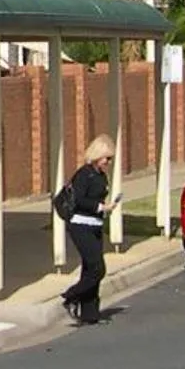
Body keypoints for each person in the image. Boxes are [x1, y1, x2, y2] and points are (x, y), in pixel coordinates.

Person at [59, 134, 117, 325]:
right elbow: (80, 200)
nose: (108, 162)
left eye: (110, 159)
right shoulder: (84, 174)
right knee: (97, 268)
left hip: (95, 225)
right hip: (80, 225)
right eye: (106, 158)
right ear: (97, 155)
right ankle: (71, 296)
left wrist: (105, 207)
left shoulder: (101, 175)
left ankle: (90, 314)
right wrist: (100, 207)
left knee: (89, 268)